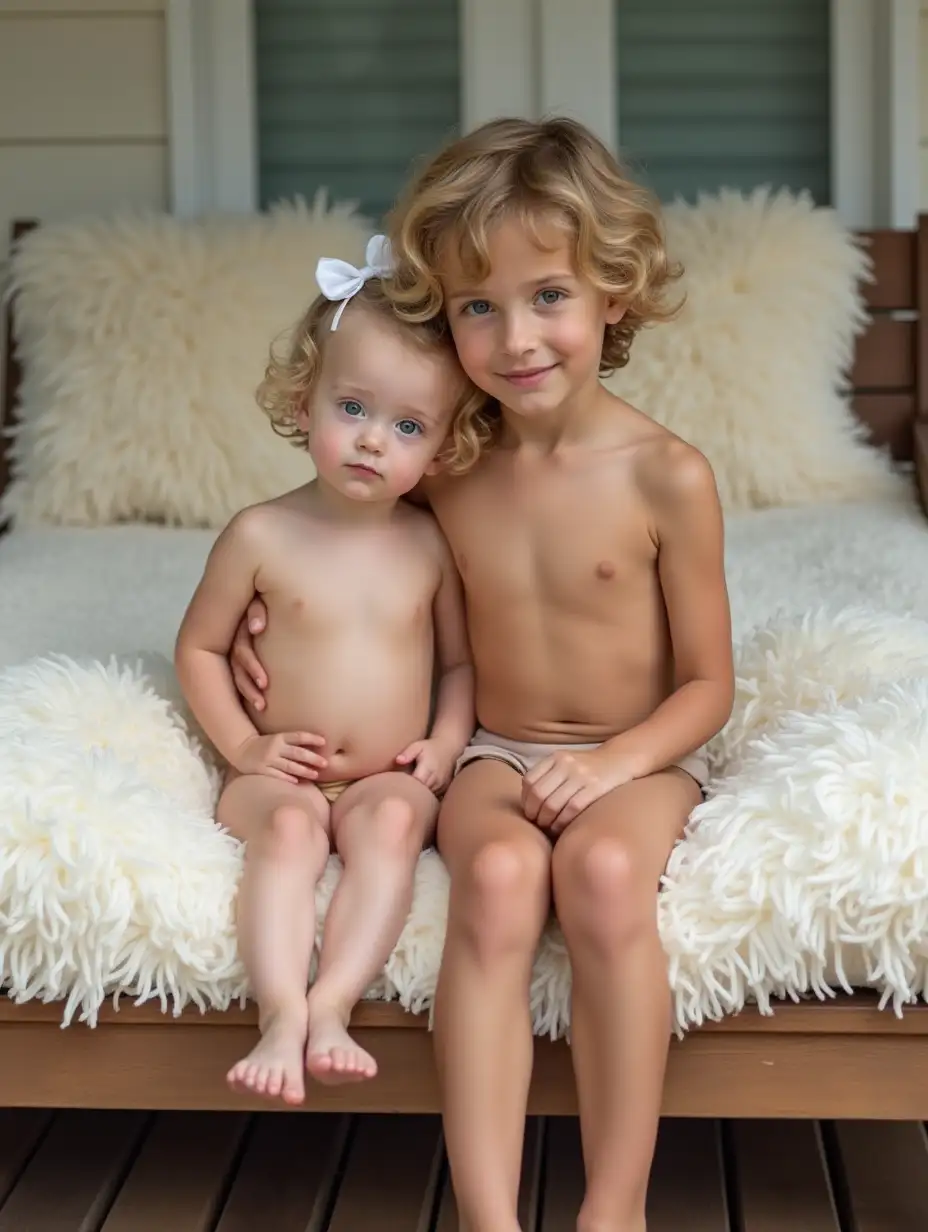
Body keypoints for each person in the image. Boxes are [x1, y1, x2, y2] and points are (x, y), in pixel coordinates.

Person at [230, 119, 734, 1230]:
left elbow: (707, 684)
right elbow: (345, 556)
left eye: (548, 294)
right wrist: (267, 632)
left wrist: (613, 763)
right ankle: (488, 1213)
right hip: (492, 751)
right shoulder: (445, 464)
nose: (515, 338)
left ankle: (616, 1205)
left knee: (602, 873)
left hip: (633, 754)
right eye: (477, 306)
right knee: (499, 878)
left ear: (614, 291)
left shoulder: (667, 475)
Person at [175, 236, 488, 1108]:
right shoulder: (259, 534)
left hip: (387, 773)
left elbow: (459, 665)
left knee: (390, 829)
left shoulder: (429, 543)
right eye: (351, 406)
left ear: (442, 447)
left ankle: (333, 1005)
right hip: (283, 773)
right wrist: (244, 748)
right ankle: (279, 1011)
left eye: (409, 427)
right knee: (288, 835)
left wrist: (444, 744)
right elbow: (198, 648)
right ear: (303, 398)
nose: (371, 441)